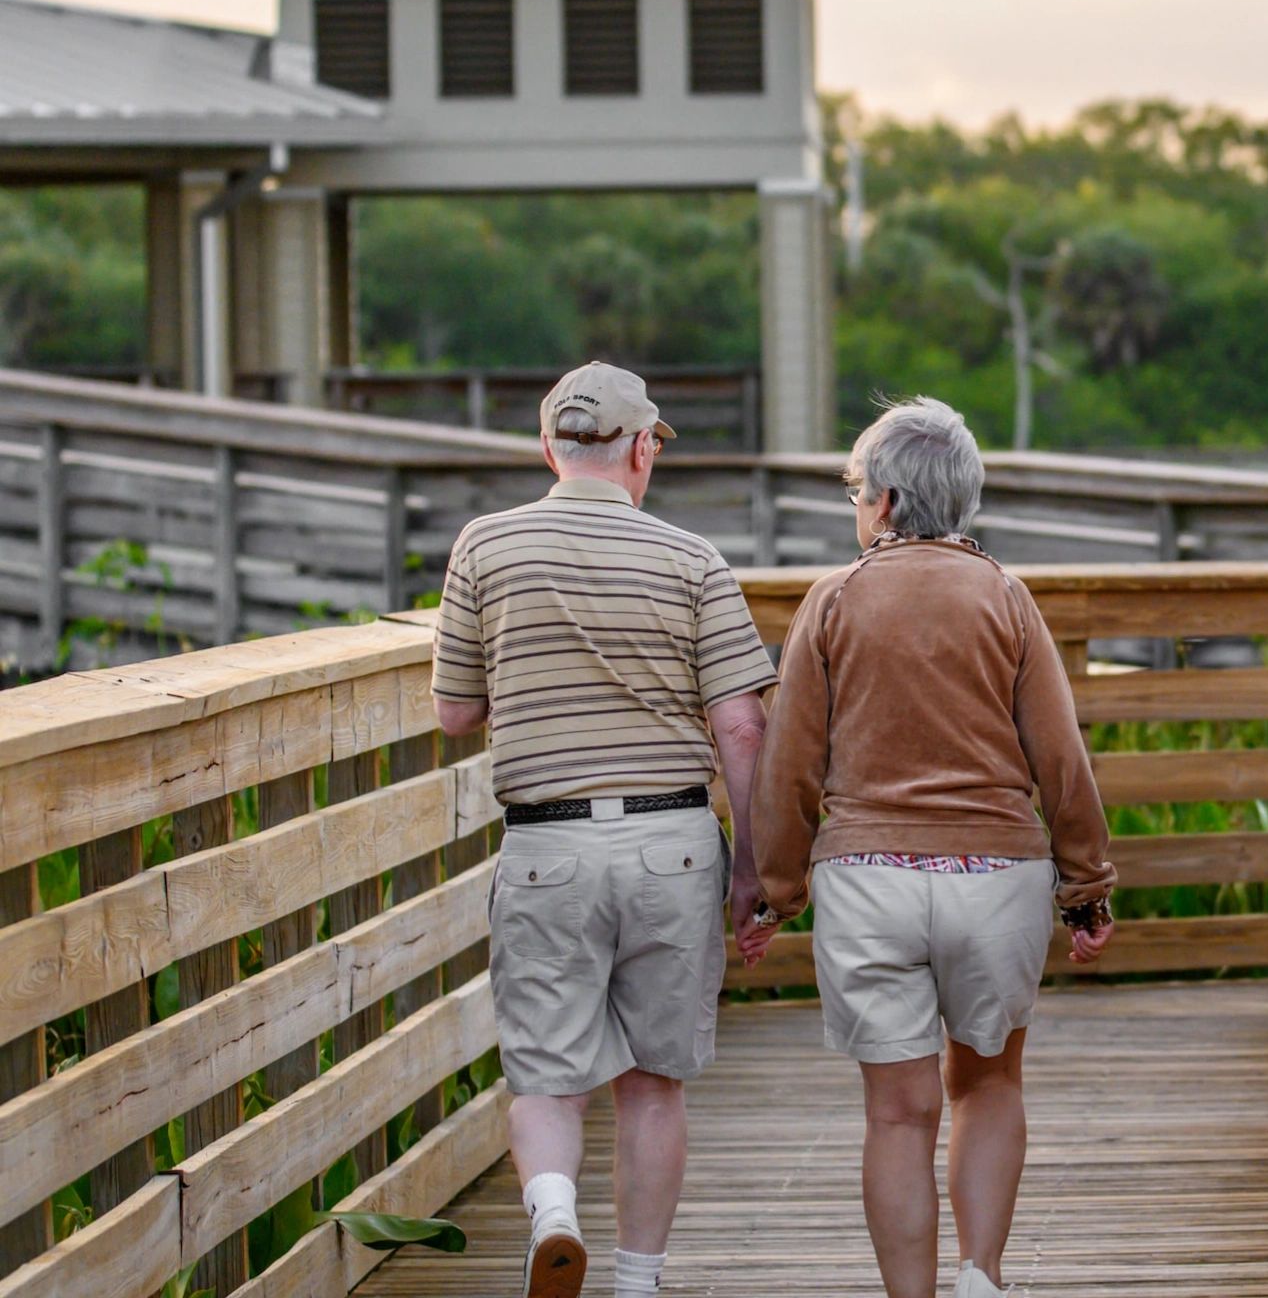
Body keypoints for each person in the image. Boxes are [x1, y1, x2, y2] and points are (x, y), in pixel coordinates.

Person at [750, 397, 1117, 1298]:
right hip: (995, 874)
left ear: (880, 501)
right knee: (987, 1085)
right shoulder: (1005, 596)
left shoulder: (834, 600)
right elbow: (1058, 756)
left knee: (898, 1114)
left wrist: (774, 888)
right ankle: (981, 1279)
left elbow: (790, 761)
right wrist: (1087, 885)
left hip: (866, 877)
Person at [429, 362, 780, 1298]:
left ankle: (552, 1213)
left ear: (549, 447)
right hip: (670, 844)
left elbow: (455, 713)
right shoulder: (693, 559)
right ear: (638, 449)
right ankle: (637, 1281)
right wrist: (753, 868)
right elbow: (742, 725)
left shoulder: (484, 547)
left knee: (547, 1073)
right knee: (653, 1082)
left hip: (548, 844)